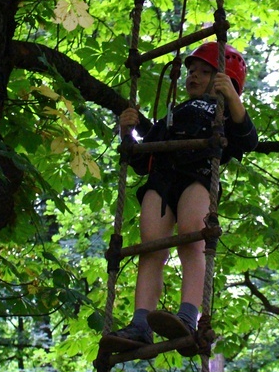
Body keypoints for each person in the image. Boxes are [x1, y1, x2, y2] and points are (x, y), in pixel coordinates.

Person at [104, 42, 258, 353]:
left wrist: (231, 97)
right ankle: (140, 324)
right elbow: (142, 160)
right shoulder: (173, 115)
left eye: (205, 72)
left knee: (192, 237)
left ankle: (189, 316)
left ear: (224, 80)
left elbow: (247, 140)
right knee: (150, 248)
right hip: (162, 180)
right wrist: (128, 134)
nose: (194, 76)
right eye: (191, 71)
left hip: (196, 175)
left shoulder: (222, 112)